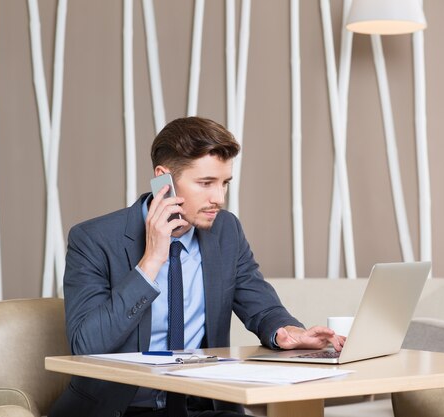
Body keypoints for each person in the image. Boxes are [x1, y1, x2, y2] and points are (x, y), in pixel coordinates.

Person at [49, 116, 345, 417]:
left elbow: (263, 308)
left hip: (202, 407)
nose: (219, 198)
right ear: (164, 179)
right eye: (205, 183)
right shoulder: (93, 239)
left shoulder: (226, 230)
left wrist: (288, 331)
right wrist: (151, 260)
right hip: (121, 410)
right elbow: (86, 344)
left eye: (224, 183)